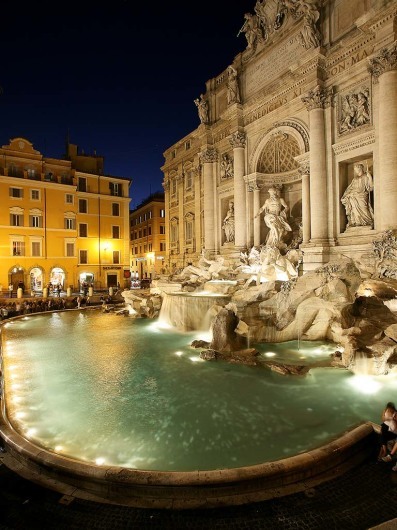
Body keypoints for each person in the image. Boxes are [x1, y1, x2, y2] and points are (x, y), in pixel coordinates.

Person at [341, 162, 374, 229]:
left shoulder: (366, 176)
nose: (355, 171)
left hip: (362, 196)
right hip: (353, 196)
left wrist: (370, 177)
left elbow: (371, 187)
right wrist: (347, 195)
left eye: (356, 169)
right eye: (355, 169)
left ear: (360, 168)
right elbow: (350, 188)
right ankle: (356, 222)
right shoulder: (355, 179)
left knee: (364, 209)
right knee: (354, 209)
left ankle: (367, 222)